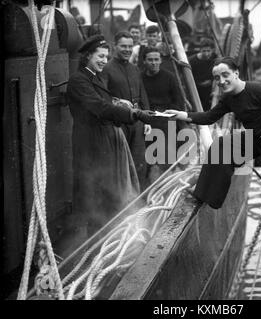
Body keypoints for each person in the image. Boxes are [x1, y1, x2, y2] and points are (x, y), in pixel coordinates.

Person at [165, 57, 261, 273]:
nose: (222, 81)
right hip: (255, 140)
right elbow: (210, 117)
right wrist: (182, 115)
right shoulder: (229, 99)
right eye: (217, 78)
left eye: (225, 75)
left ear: (236, 73)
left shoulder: (258, 91)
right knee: (221, 148)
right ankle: (206, 194)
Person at [66, 35, 154, 238]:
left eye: (106, 57)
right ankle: (97, 239)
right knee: (95, 189)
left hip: (103, 137)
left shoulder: (94, 77)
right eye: (100, 56)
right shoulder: (79, 80)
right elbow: (99, 106)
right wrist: (134, 114)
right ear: (88, 56)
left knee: (108, 186)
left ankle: (111, 232)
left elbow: (104, 101)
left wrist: (118, 102)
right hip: (91, 141)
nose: (104, 61)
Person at [100, 31, 151, 188]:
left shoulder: (135, 69)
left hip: (137, 122)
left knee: (139, 161)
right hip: (119, 123)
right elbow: (102, 96)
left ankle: (140, 200)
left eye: (130, 46)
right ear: (115, 46)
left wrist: (147, 119)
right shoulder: (106, 69)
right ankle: (123, 203)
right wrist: (117, 103)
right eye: (123, 46)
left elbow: (142, 94)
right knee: (121, 163)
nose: (127, 49)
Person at [141, 47, 186, 182]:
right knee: (149, 160)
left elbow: (179, 101)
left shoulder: (169, 77)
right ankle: (149, 186)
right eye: (150, 60)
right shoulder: (140, 78)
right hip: (148, 122)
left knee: (167, 159)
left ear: (160, 61)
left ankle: (168, 184)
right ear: (144, 61)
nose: (154, 63)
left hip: (167, 122)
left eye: (156, 59)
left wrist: (170, 115)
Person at [188, 38, 217, 111]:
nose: (206, 53)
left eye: (208, 51)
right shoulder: (192, 61)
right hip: (196, 91)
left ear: (212, 50)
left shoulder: (215, 59)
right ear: (200, 50)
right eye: (204, 51)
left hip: (209, 92)